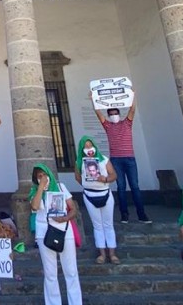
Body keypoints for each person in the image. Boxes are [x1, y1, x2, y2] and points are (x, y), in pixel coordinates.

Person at [93, 93, 151, 224]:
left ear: (119, 113)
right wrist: (94, 100)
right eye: (111, 114)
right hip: (116, 160)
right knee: (120, 187)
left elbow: (132, 110)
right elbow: (98, 113)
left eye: (115, 113)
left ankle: (141, 214)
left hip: (130, 159)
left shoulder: (127, 123)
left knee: (135, 186)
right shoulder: (108, 126)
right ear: (109, 116)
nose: (114, 116)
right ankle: (124, 214)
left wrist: (132, 96)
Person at [29, 163, 82, 305]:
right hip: (44, 233)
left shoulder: (60, 187)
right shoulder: (34, 191)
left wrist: (65, 218)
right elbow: (34, 206)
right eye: (39, 176)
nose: (42, 178)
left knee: (71, 271)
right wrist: (40, 187)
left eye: (44, 175)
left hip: (64, 232)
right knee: (50, 273)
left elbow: (73, 209)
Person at [74, 135, 118, 264]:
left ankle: (112, 253)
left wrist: (105, 179)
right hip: (89, 195)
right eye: (85, 146)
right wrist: (88, 183)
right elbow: (77, 178)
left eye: (90, 145)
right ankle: (102, 254)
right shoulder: (79, 162)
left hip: (105, 193)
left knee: (108, 224)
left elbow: (114, 174)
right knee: (97, 225)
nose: (89, 148)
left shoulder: (103, 159)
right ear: (82, 149)